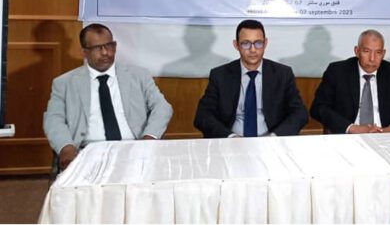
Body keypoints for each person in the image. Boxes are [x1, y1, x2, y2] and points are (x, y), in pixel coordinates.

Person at [43, 23, 173, 171]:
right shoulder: (65, 83)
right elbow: (54, 119)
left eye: (109, 46)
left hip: (134, 148)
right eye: (97, 48)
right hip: (87, 153)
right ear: (84, 52)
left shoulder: (139, 76)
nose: (105, 52)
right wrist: (66, 147)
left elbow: (162, 107)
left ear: (115, 46)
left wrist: (149, 138)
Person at [194, 19, 308, 138]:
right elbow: (203, 116)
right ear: (236, 45)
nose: (253, 49)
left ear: (265, 43)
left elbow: (300, 113)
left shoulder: (283, 74)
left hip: (271, 142)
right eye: (246, 43)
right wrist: (230, 137)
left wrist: (274, 137)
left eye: (258, 43)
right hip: (232, 143)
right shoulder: (220, 75)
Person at [310, 29, 390, 134]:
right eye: (366, 51)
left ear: (383, 54)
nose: (372, 58)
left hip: (385, 134)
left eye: (378, 52)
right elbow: (319, 107)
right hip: (349, 135)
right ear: (357, 51)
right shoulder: (337, 72)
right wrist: (351, 128)